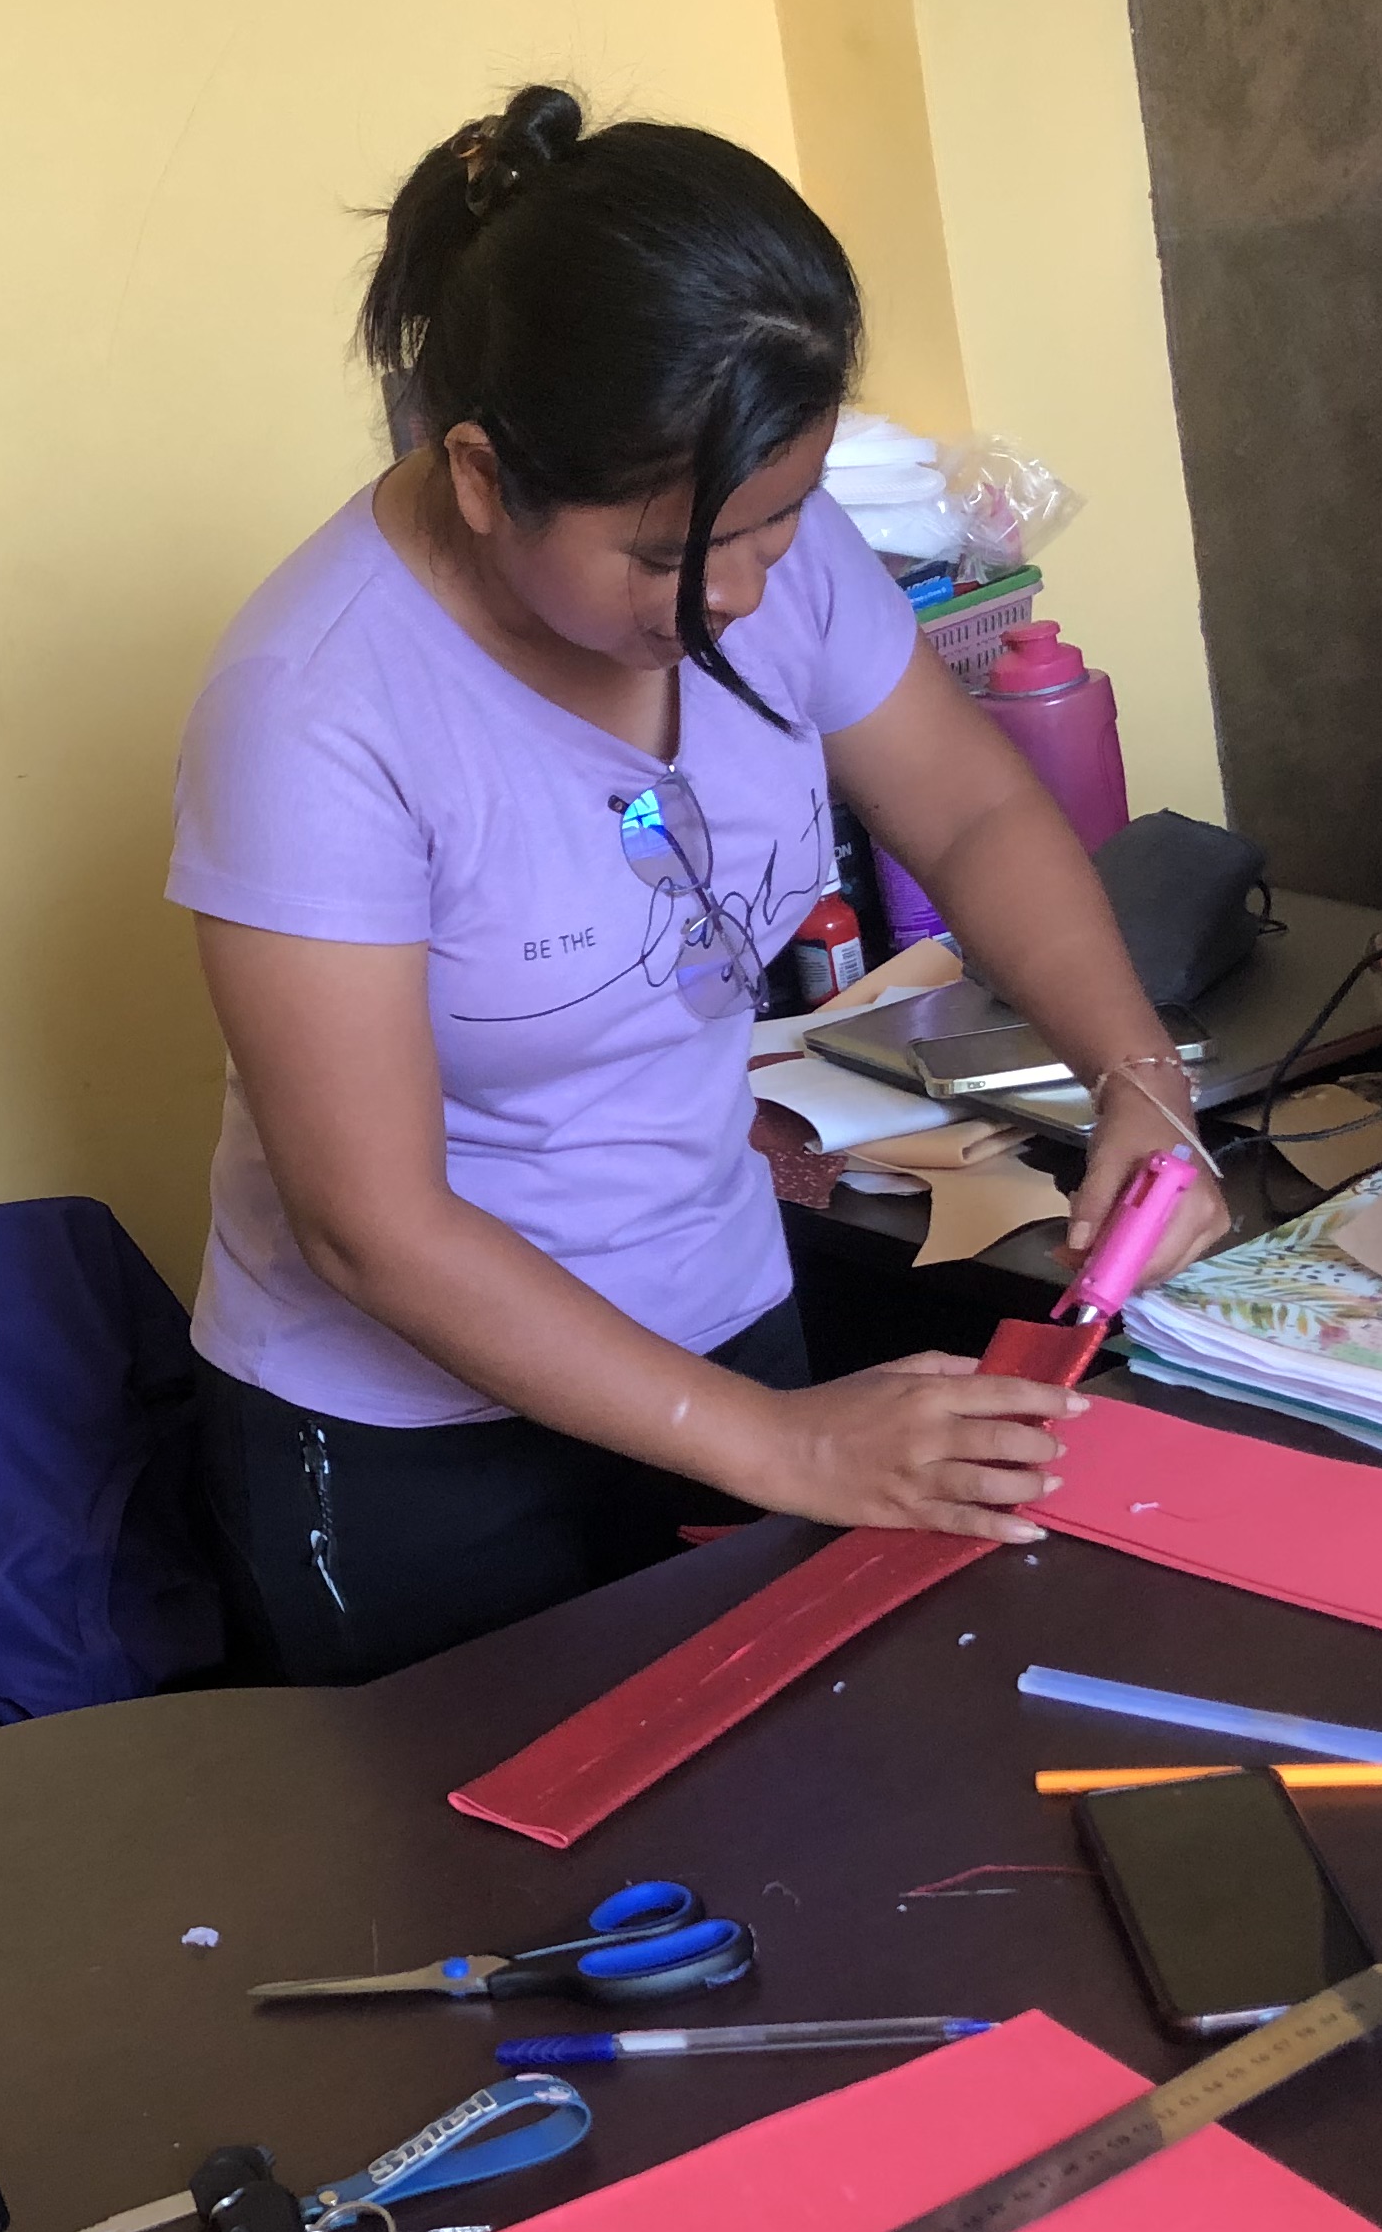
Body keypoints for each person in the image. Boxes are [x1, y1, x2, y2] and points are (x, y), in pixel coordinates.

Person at [171, 90, 1229, 1684]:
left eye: (779, 525)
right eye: (672, 557)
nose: (738, 595)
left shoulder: (759, 545)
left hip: (724, 1319)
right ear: (482, 476)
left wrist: (1137, 1082)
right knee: (510, 1827)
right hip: (413, 1451)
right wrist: (786, 1448)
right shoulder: (315, 710)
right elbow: (373, 1224)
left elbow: (972, 812)